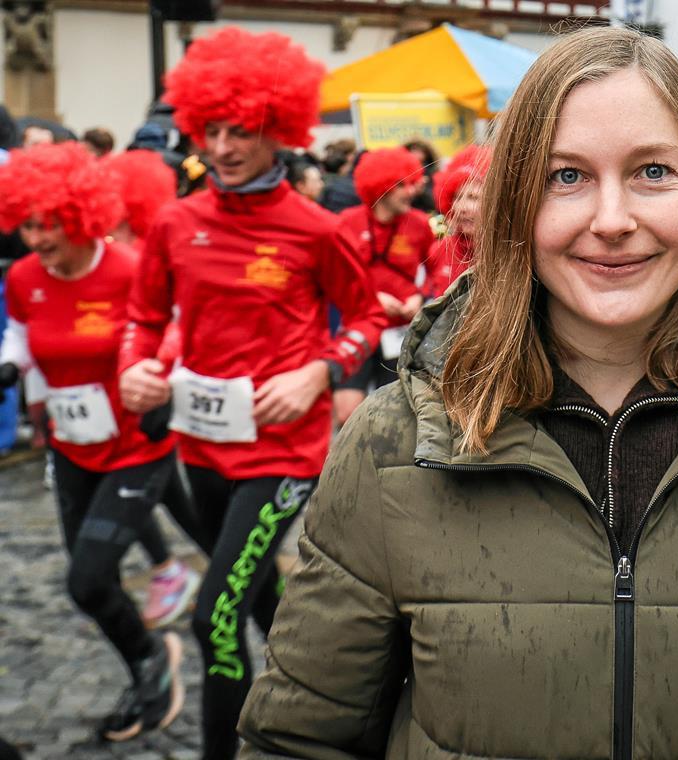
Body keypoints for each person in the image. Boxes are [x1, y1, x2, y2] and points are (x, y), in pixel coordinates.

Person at [239, 25, 678, 758]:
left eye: (653, 172)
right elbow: (299, 740)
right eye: (567, 177)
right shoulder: (395, 440)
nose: (612, 220)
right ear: (514, 202)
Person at [117, 27, 385, 760]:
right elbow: (142, 320)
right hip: (201, 446)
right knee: (258, 592)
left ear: (279, 131)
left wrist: (320, 373)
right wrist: (135, 368)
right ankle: (327, 700)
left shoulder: (316, 229)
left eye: (244, 131)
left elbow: (364, 319)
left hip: (281, 452)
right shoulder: (176, 221)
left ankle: (226, 751)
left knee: (215, 613)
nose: (226, 147)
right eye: (212, 131)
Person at [0, 142, 185, 743]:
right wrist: (10, 371)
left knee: (85, 579)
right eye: (27, 223)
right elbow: (25, 343)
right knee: (93, 583)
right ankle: (148, 657)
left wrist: (164, 385)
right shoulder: (24, 277)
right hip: (71, 445)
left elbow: (174, 333)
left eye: (50, 222)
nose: (37, 237)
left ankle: (152, 660)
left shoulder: (131, 270)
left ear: (82, 215)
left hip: (136, 446)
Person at [102, 147, 206, 627]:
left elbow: (168, 320)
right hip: (116, 393)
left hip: (147, 395)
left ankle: (179, 569)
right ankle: (188, 565)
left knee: (151, 486)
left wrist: (153, 369)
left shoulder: (150, 250)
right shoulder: (104, 249)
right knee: (164, 493)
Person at [331, 146, 434, 425]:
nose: (412, 191)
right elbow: (333, 276)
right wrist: (372, 297)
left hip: (400, 333)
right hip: (358, 328)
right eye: (402, 185)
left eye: (411, 183)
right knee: (346, 414)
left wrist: (421, 298)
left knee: (393, 418)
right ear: (382, 187)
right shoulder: (346, 223)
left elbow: (436, 271)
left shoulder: (420, 224)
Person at [423, 143, 490, 300]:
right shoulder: (439, 251)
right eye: (456, 197)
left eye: (473, 197)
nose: (461, 207)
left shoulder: (509, 252)